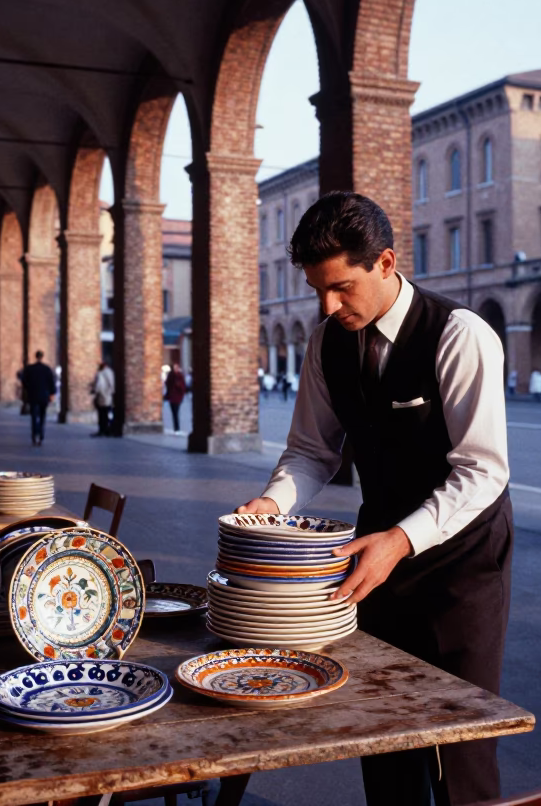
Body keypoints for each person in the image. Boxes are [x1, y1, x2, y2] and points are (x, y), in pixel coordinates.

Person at [235, 192, 512, 806]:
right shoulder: (326, 342)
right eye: (317, 291)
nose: (328, 306)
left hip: (461, 565)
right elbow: (312, 452)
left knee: (459, 746)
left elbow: (483, 472)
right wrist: (272, 505)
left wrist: (402, 538)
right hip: (372, 560)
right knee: (380, 733)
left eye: (340, 288)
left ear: (386, 262)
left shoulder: (460, 336)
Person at [23, 351, 57, 445]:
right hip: (44, 396)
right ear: (42, 357)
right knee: (42, 416)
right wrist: (52, 393)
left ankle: (34, 435)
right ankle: (41, 435)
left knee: (33, 416)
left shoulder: (30, 369)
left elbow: (24, 381)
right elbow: (51, 382)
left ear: (35, 356)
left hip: (33, 395)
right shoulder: (47, 369)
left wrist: (29, 390)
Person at [91, 361, 115, 437]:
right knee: (108, 414)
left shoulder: (100, 373)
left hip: (102, 396)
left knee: (102, 415)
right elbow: (112, 385)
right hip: (108, 397)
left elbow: (99, 385)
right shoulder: (111, 372)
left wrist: (94, 390)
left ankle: (102, 430)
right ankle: (108, 429)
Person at [164, 362, 188, 433]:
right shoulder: (170, 375)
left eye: (176, 367)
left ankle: (177, 428)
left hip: (177, 397)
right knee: (174, 413)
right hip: (172, 397)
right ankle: (176, 428)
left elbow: (183, 387)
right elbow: (167, 384)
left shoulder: (180, 376)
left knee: (176, 412)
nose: (175, 369)